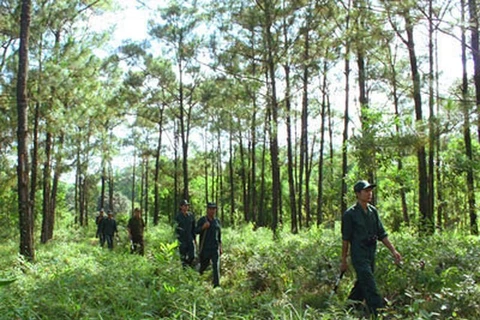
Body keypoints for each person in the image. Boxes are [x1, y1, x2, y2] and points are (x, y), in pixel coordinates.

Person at [340, 180, 402, 317]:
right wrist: (343, 260)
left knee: (362, 284)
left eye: (370, 191)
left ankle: (349, 309)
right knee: (369, 284)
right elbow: (345, 239)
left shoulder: (373, 212)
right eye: (366, 191)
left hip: (371, 253)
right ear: (357, 194)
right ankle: (379, 314)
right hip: (359, 254)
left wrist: (393, 251)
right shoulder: (350, 214)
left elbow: (382, 234)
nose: (369, 194)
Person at [196, 202, 222, 287]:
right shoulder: (202, 220)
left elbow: (219, 235)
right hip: (205, 248)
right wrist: (203, 227)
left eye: (214, 209)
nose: (212, 211)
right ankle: (197, 283)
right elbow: (196, 231)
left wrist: (220, 247)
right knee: (203, 267)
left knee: (216, 267)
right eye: (210, 209)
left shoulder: (217, 221)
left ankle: (216, 286)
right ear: (207, 210)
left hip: (215, 248)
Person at [175, 199, 196, 267]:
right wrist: (177, 240)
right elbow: (175, 229)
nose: (186, 207)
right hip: (182, 240)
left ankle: (189, 266)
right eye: (184, 206)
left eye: (187, 206)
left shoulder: (191, 215)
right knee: (183, 257)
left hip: (190, 239)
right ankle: (185, 271)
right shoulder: (178, 217)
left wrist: (194, 239)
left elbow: (193, 228)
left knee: (192, 256)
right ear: (181, 207)